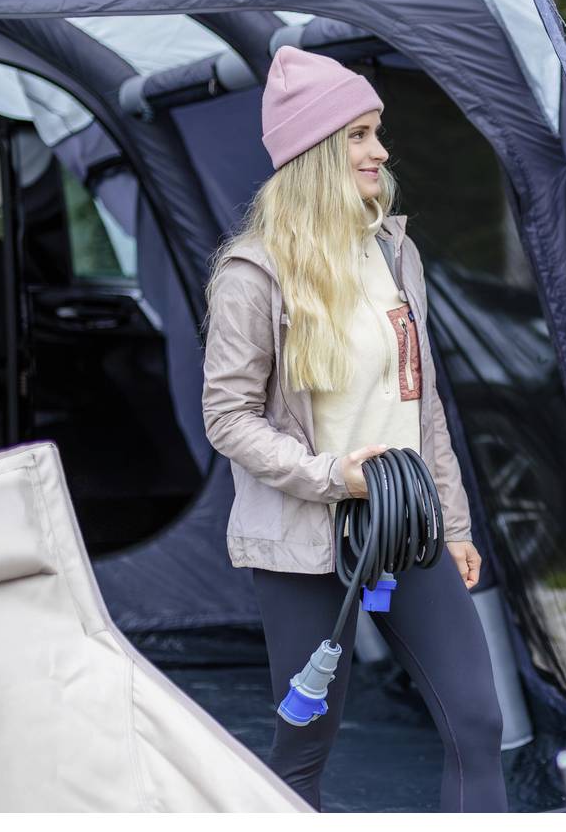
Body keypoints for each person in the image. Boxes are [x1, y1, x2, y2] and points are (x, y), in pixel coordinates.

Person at [201, 45, 507, 812]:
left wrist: (453, 523)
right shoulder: (252, 274)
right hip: (305, 539)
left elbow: (421, 404)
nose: (381, 151)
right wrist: (332, 476)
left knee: (476, 722)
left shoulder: (393, 252)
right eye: (359, 135)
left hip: (406, 524)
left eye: (377, 132)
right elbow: (227, 418)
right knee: (304, 747)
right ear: (313, 152)